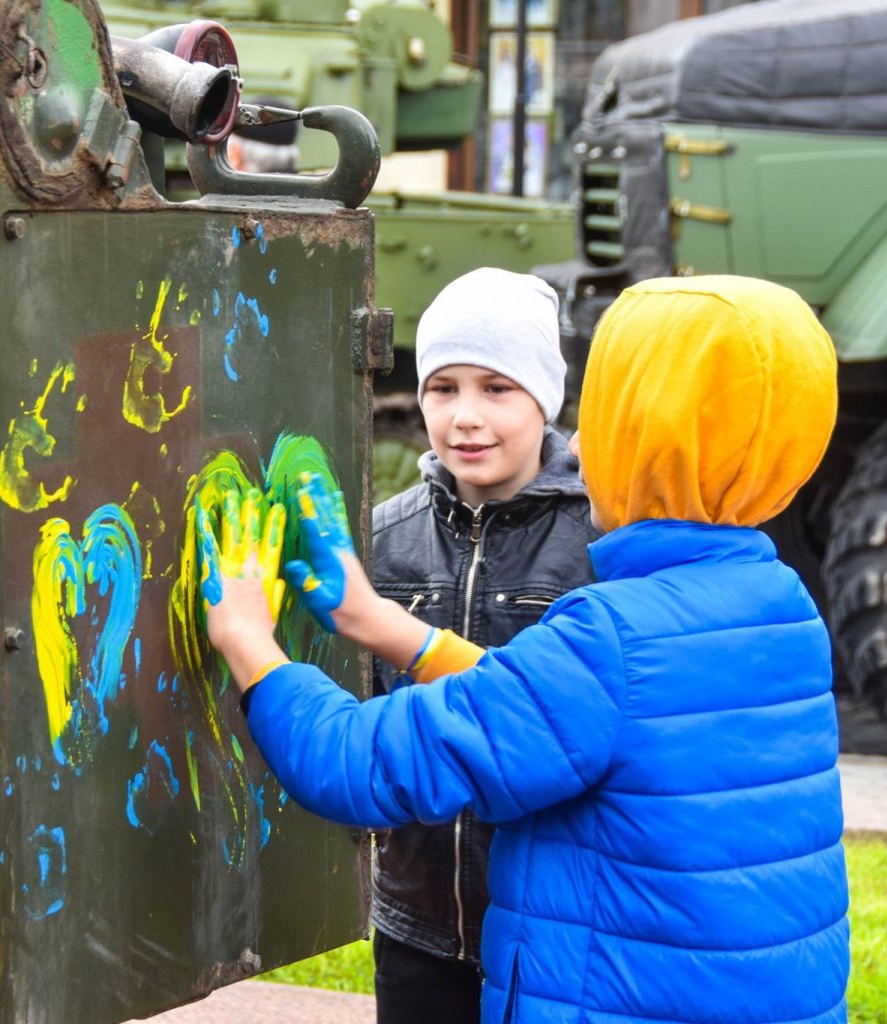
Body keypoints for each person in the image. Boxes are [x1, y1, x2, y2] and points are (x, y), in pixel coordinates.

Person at [201, 273, 852, 1023]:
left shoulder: (611, 639)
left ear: (650, 443)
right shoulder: (777, 605)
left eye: (602, 420)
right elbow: (567, 718)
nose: (576, 442)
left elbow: (359, 762)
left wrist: (249, 643)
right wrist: (386, 627)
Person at [366, 268, 600, 1022]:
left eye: (497, 388)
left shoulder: (599, 541)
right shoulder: (383, 539)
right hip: (416, 920)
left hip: (552, 927)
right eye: (444, 388)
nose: (466, 417)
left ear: (545, 398)